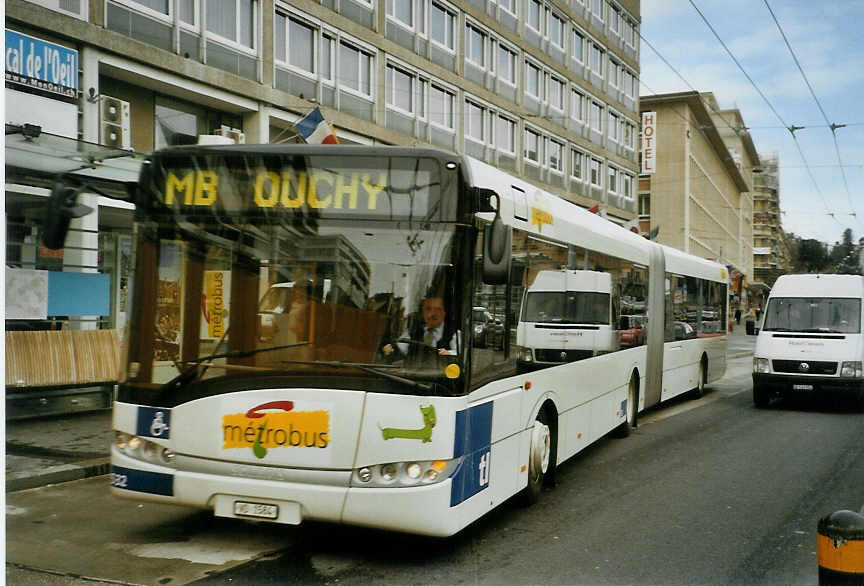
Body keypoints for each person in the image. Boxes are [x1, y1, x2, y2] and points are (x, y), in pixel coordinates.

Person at [383, 295, 460, 359]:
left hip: (442, 375)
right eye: (428, 309)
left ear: (444, 312)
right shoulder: (412, 331)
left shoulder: (454, 333)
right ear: (423, 313)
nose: (432, 314)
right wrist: (390, 349)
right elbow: (400, 348)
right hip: (411, 375)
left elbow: (461, 354)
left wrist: (449, 353)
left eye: (438, 309)